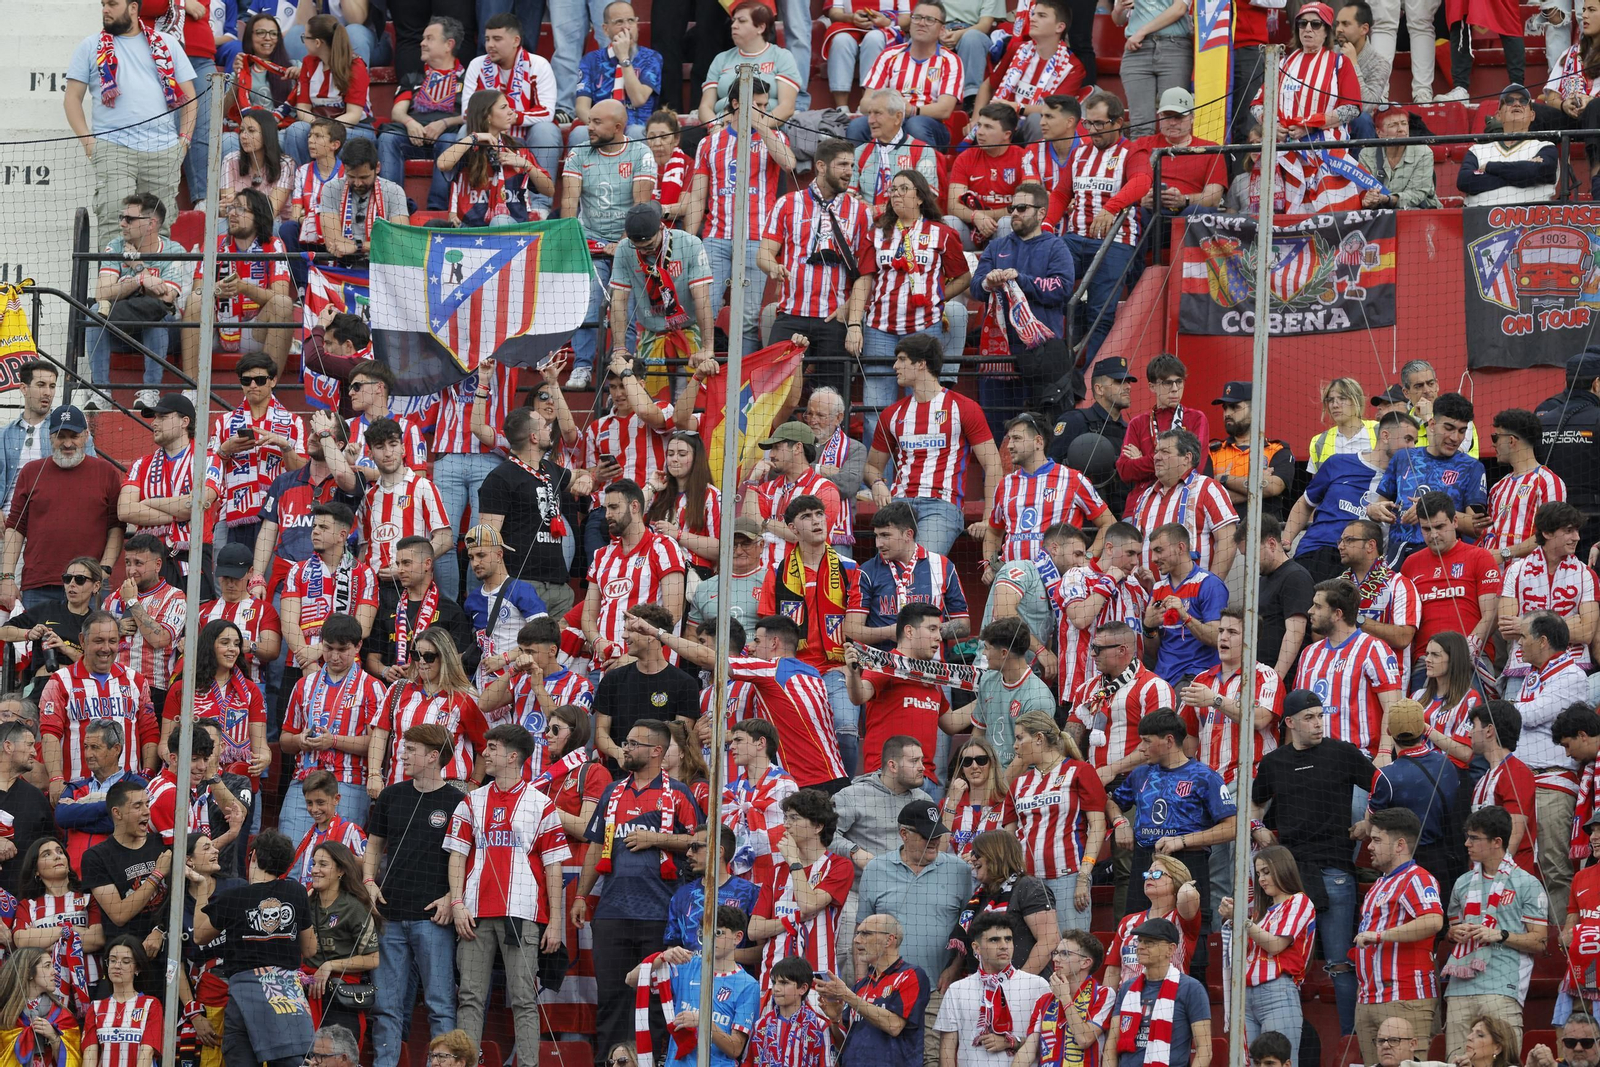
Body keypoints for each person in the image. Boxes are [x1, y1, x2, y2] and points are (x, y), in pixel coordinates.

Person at [1250, 690, 1374, 1037]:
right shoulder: (1273, 763)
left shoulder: (1342, 753)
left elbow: (1382, 787)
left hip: (1335, 870)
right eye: (1309, 717)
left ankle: (1349, 1040)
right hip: (1289, 878)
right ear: (1289, 723)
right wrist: (1257, 829)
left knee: (1338, 961)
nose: (1318, 723)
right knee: (1282, 962)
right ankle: (1287, 1037)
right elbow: (1254, 806)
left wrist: (1368, 821)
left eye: (1321, 716)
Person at [573, 719, 700, 1052]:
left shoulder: (679, 793)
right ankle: (611, 1061)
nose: (624, 748)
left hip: (661, 916)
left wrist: (655, 838)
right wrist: (581, 896)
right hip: (612, 913)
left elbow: (700, 842)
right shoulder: (611, 792)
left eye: (632, 743)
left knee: (659, 999)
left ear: (656, 751)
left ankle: (655, 1061)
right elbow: (593, 846)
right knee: (612, 997)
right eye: (625, 742)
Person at [441, 723, 566, 1053]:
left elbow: (554, 868)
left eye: (492, 747)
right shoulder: (471, 801)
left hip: (523, 914)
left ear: (513, 757)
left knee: (524, 998)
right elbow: (456, 857)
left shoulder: (542, 805)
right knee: (469, 997)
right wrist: (456, 903)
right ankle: (466, 1062)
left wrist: (555, 923)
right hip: (474, 914)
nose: (485, 753)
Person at [361, 723, 465, 1067]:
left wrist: (452, 896)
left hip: (433, 920)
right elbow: (374, 846)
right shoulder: (391, 795)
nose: (402, 755)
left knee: (440, 1003)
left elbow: (468, 858)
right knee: (385, 1005)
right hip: (390, 917)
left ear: (433, 757)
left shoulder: (458, 801)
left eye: (410, 750)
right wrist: (368, 881)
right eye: (404, 749)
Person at [64, 0, 197, 251]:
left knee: (159, 226)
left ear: (133, 8)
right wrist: (89, 143)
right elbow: (71, 99)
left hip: (163, 150)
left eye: (112, 4)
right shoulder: (90, 45)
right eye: (103, 4)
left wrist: (184, 142)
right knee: (115, 225)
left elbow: (190, 99)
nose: (105, 9)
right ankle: (112, 287)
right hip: (113, 149)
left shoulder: (167, 44)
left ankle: (155, 288)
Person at [1108, 710, 1234, 966]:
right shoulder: (1141, 774)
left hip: (1188, 863)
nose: (1141, 748)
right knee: (1136, 927)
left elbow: (1232, 827)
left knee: (1192, 936)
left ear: (1168, 740)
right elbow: (1112, 803)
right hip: (1145, 860)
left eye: (1146, 740)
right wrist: (1121, 822)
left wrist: (1184, 840)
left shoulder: (1204, 776)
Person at [687, 78, 795, 355]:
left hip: (756, 239)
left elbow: (789, 163)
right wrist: (690, 239)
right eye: (755, 105)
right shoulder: (709, 144)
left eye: (764, 105)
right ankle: (701, 377)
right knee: (704, 312)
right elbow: (698, 196)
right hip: (715, 239)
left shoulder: (775, 137)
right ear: (735, 103)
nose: (762, 110)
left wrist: (758, 123)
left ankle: (741, 385)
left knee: (747, 320)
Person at [758, 139, 874, 397]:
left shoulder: (860, 212)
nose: (849, 171)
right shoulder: (787, 203)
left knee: (832, 397)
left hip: (835, 317)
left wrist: (853, 316)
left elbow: (865, 273)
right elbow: (764, 253)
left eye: (852, 165)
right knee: (774, 393)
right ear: (821, 166)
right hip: (790, 315)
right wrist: (773, 268)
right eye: (842, 164)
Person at [865, 336, 998, 557]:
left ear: (921, 363)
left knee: (919, 567)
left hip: (941, 506)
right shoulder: (892, 413)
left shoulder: (964, 407)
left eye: (902, 359)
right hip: (899, 505)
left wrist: (988, 519)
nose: (895, 366)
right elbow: (871, 466)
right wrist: (877, 483)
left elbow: (993, 464)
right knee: (888, 575)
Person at [1441, 804, 1549, 1057]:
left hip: (1502, 986)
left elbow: (1541, 942)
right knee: (1456, 1062)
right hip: (1459, 988)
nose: (1467, 843)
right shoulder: (1462, 882)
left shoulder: (1527, 883)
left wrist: (1500, 935)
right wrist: (1452, 934)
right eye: (1467, 836)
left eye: (1474, 838)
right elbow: (1452, 928)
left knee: (1502, 1062)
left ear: (1496, 842)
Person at [561, 105, 656, 377]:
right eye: (589, 120)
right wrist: (573, 240)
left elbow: (640, 207)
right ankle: (582, 366)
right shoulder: (578, 152)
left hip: (631, 241)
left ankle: (622, 367)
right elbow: (569, 204)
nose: (588, 127)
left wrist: (623, 243)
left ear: (617, 128)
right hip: (590, 240)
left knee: (622, 304)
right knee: (588, 298)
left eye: (597, 122)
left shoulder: (641, 153)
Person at [0, 407, 122, 617]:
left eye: (74, 436)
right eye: (60, 436)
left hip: (89, 586)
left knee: (88, 648)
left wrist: (104, 570)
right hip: (39, 585)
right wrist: (7, 578)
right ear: (50, 437)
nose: (67, 443)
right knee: (37, 648)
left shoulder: (107, 473)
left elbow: (116, 527)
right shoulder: (30, 472)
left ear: (85, 436)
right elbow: (15, 528)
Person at [279, 613, 388, 843]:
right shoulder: (303, 685)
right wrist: (300, 740)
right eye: (328, 648)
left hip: (348, 782)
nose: (334, 656)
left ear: (358, 646)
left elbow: (377, 745)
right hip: (304, 780)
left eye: (342, 649)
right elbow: (284, 741)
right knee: (290, 855)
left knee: (337, 858)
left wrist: (334, 741)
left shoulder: (373, 688)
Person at [1252, 4, 1370, 215]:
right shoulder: (1283, 64)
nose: (1308, 28)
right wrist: (1272, 125)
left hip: (1327, 155)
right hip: (1284, 154)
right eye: (1302, 23)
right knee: (1286, 222)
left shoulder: (1339, 63)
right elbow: (1257, 105)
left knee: (1332, 222)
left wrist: (1311, 125)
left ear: (1326, 31)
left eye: (1315, 24)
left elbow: (1352, 108)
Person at [970, 193, 1077, 423]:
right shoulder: (996, 246)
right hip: (999, 354)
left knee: (1039, 427)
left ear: (1041, 213)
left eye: (1021, 208)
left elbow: (1062, 288)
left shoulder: (1056, 247)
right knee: (996, 426)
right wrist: (987, 282)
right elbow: (975, 288)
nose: (1014, 213)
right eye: (1012, 208)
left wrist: (1022, 280)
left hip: (1042, 355)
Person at [1053, 93, 1143, 366]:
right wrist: (1046, 227)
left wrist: (1111, 208)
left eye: (1099, 124)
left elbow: (1141, 182)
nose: (1092, 131)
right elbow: (1060, 193)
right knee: (1043, 285)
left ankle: (1093, 378)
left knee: (1101, 313)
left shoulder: (1133, 151)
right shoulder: (1079, 152)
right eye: (1088, 124)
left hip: (1116, 242)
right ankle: (1055, 368)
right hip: (1074, 238)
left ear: (1118, 122)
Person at [1511, 611, 1590, 922]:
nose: (1518, 645)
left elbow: (1529, 716)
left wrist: (1511, 710)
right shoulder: (1533, 675)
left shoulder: (1572, 675)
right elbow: (1524, 718)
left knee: (1553, 866)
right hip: (1520, 782)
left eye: (1523, 638)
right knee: (1514, 864)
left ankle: (1561, 947)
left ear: (1542, 641)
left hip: (1552, 783)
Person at [1351, 807, 1445, 1064]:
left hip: (1405, 996)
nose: (1369, 846)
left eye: (1377, 840)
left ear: (1400, 845)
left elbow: (1433, 921)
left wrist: (1380, 936)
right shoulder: (1379, 885)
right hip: (1368, 998)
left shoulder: (1417, 878)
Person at [39, 612, 160, 805]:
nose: (106, 648)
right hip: (77, 792)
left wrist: (147, 775)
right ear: (83, 640)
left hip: (127, 795)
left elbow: (150, 733)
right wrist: (55, 779)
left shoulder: (136, 681)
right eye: (99, 641)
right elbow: (50, 734)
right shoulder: (59, 682)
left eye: (112, 641)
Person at [180, 187, 296, 380]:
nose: (233, 213)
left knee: (283, 304)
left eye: (241, 209)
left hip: (255, 331)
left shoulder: (273, 245)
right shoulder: (214, 243)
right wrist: (217, 290)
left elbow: (280, 295)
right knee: (195, 300)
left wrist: (244, 288)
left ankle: (268, 388)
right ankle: (190, 389)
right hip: (217, 329)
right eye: (232, 208)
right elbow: (198, 289)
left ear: (258, 216)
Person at [746, 789, 854, 994]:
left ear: (818, 826)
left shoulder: (839, 866)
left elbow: (809, 904)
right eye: (785, 817)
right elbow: (754, 930)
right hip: (773, 980)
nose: (786, 824)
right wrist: (793, 919)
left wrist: (794, 861)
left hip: (816, 979)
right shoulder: (776, 872)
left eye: (794, 818)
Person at [1291, 414, 1418, 588]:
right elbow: (1306, 503)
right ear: (1386, 436)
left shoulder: (1407, 482)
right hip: (1320, 550)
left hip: (1366, 564)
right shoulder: (1338, 463)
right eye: (1408, 439)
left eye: (1415, 442)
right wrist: (1286, 541)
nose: (1412, 447)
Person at [1216, 846, 1315, 1067]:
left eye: (1267, 872)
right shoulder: (1261, 912)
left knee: (1278, 1061)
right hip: (1245, 995)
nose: (1261, 878)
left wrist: (1241, 918)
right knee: (1248, 1063)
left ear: (1283, 868)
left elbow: (1276, 945)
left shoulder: (1299, 901)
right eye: (1258, 873)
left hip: (1278, 992)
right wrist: (1231, 919)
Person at [858, 800, 971, 991]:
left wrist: (954, 968)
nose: (934, 841)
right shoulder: (875, 869)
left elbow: (967, 928)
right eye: (927, 835)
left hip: (939, 988)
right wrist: (861, 986)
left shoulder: (960, 870)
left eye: (937, 834)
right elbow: (861, 935)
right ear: (904, 834)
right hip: (885, 989)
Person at [629, 905, 762, 1067]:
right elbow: (632, 980)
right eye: (705, 932)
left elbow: (735, 1048)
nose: (710, 938)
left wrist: (703, 1021)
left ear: (737, 937)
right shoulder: (687, 965)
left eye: (718, 933)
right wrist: (661, 958)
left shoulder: (748, 985)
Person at [1009, 713, 1106, 933]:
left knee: (1071, 952)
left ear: (1039, 738)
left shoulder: (1080, 771)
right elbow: (1008, 837)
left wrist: (1084, 876)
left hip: (1068, 878)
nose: (1015, 746)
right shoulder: (1018, 784)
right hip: (1027, 883)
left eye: (1019, 738)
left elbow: (1098, 827)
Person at [608, 205, 717, 398]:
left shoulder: (690, 244)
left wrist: (707, 347)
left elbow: (702, 298)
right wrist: (619, 348)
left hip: (688, 329)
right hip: (652, 331)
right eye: (638, 247)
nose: (643, 251)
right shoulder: (624, 250)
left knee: (690, 396)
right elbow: (618, 301)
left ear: (661, 228)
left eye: (649, 246)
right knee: (648, 399)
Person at [85, 195, 184, 401]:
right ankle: (100, 391)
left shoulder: (175, 250)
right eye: (122, 217)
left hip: (165, 332)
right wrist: (139, 280)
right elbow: (101, 293)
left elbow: (166, 299)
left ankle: (150, 391)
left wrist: (137, 266)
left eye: (129, 219)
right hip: (123, 328)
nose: (122, 223)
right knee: (95, 312)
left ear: (151, 224)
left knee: (156, 316)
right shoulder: (117, 246)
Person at [1398, 493, 1501, 687]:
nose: (1433, 534)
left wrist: (1466, 649)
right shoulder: (1410, 564)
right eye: (1426, 529)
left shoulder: (1481, 557)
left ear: (1455, 521)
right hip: (1425, 661)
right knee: (1421, 718)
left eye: (1439, 527)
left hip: (1470, 658)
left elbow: (1492, 614)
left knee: (1474, 716)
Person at [845, 608, 960, 782]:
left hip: (925, 778)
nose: (939, 637)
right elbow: (858, 696)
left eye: (939, 630)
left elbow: (951, 722)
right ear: (909, 631)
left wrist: (988, 693)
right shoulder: (886, 664)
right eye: (932, 629)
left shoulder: (931, 674)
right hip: (888, 778)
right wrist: (853, 674)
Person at [209, 355, 307, 554]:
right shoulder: (224, 422)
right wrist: (224, 451)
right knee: (227, 581)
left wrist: (285, 447)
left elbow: (304, 473)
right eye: (246, 380)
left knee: (270, 583)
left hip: (279, 513)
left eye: (260, 380)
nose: (253, 385)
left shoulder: (293, 422)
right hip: (230, 514)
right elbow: (208, 471)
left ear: (273, 381)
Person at [452, 15, 561, 195]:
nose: (490, 45)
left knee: (546, 130)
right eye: (487, 39)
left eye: (497, 39)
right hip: (489, 135)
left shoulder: (538, 65)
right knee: (465, 132)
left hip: (528, 134)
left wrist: (514, 117)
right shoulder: (477, 65)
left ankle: (540, 205)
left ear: (515, 41)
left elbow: (547, 112)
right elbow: (467, 113)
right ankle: (469, 197)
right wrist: (496, 121)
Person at [1294, 579, 1403, 757]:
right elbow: (1297, 712)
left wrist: (1384, 753)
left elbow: (1394, 707)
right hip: (1312, 760)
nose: (1310, 611)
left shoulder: (1373, 649)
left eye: (1318, 606)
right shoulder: (1308, 654)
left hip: (1358, 759)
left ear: (1337, 614)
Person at [935, 912, 1052, 1067]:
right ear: (976, 948)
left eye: (1008, 939)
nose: (1004, 945)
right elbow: (947, 1049)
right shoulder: (957, 990)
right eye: (994, 940)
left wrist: (1011, 1042)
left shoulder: (1038, 985)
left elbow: (1051, 1043)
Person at [1365, 701, 1460, 887]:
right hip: (1446, 860)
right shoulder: (1446, 764)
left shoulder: (1385, 775)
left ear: (1389, 732)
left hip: (1404, 867)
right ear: (1423, 729)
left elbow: (1371, 829)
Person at [817, 913, 931, 1067]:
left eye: (865, 933)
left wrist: (847, 995)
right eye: (857, 934)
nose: (856, 940)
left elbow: (894, 1026)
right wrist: (835, 1020)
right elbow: (843, 1045)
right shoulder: (860, 986)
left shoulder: (911, 975)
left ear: (889, 940)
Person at [281, 502, 380, 679]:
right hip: (300, 663)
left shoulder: (365, 573)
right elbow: (288, 623)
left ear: (342, 535)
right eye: (314, 526)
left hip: (346, 665)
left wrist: (319, 650)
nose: (315, 531)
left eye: (323, 527)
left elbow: (363, 628)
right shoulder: (297, 569)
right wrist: (308, 661)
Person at [1500, 502, 1595, 683]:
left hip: (1572, 667)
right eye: (1568, 531)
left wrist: (1526, 623)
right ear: (1547, 533)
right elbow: (1507, 629)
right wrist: (1568, 624)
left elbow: (1587, 632)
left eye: (1576, 531)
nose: (1577, 537)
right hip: (1523, 668)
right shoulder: (1515, 571)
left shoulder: (1586, 574)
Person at [377, 16, 465, 209]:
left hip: (447, 139)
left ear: (448, 44)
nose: (422, 43)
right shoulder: (413, 77)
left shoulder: (467, 78)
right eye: (423, 38)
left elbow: (472, 114)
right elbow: (397, 112)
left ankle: (437, 210)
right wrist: (410, 123)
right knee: (388, 137)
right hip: (413, 137)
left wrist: (444, 123)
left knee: (449, 141)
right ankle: (392, 206)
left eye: (429, 38)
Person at [946, 829, 1057, 981]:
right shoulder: (981, 895)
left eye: (977, 852)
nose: (972, 858)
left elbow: (1049, 941)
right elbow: (969, 940)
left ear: (996, 854)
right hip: (986, 987)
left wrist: (1018, 982)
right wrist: (953, 969)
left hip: (1024, 990)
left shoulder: (1029, 886)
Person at [1128, 431, 1239, 580]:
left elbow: (1228, 540)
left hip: (1195, 596)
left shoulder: (1208, 487)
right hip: (1149, 598)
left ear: (1187, 458)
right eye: (1156, 452)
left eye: (1165, 452)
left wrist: (1212, 588)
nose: (1156, 457)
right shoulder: (1144, 497)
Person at [363, 537, 478, 681]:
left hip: (434, 693)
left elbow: (461, 659)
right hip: (395, 692)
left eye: (406, 563)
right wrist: (385, 671)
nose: (400, 570)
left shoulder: (450, 610)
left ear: (427, 564)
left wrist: (426, 669)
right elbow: (371, 659)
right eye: (398, 564)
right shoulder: (388, 607)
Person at [1104, 917, 1212, 1067]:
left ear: (1171, 949)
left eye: (1150, 942)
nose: (1141, 947)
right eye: (1139, 941)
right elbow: (1111, 1045)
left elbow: (1204, 1049)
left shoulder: (1192, 988)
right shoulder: (1127, 988)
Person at [739, 423, 848, 569]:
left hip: (806, 576)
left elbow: (807, 536)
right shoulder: (767, 488)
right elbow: (749, 525)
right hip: (764, 577)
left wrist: (765, 523)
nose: (771, 454)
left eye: (777, 447)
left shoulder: (825, 489)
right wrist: (752, 481)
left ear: (797, 447)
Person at [853, 5, 963, 149]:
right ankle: (858, 170)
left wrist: (911, 110)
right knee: (857, 126)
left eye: (930, 20)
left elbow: (945, 109)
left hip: (931, 125)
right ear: (910, 24)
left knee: (915, 124)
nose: (922, 23)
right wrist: (891, 110)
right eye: (917, 18)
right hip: (889, 117)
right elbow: (865, 104)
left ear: (942, 29)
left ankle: (924, 170)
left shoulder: (950, 60)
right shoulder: (889, 56)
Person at [833, 737, 936, 888]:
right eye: (914, 761)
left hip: (911, 888)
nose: (922, 767)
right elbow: (823, 836)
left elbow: (936, 844)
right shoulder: (853, 795)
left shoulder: (923, 800)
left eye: (921, 760)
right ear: (892, 766)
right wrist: (854, 851)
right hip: (859, 890)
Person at [975, 0, 1083, 141]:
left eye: (1041, 15)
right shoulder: (1017, 49)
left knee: (1035, 120)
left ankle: (1034, 162)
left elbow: (1056, 109)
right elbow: (987, 85)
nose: (1032, 19)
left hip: (1034, 127)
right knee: (988, 125)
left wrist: (1017, 107)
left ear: (1059, 27)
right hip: (1002, 123)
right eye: (1033, 14)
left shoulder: (1073, 66)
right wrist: (975, 119)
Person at [303, 841, 380, 1039]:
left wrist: (330, 966)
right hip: (305, 990)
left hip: (340, 993)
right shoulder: (305, 902)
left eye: (323, 864)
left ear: (340, 871)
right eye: (313, 864)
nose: (315, 870)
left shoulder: (354, 908)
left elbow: (373, 959)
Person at [0, 559, 105, 703]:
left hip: (80, 688)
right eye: (67, 579)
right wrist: (28, 634)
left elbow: (97, 667)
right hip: (43, 685)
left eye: (80, 579)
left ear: (96, 586)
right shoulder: (47, 608)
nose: (72, 584)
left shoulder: (97, 622)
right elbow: (4, 631)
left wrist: (65, 648)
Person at [358, 422, 451, 581]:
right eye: (380, 447)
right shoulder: (368, 497)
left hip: (414, 585)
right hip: (374, 588)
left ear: (403, 448)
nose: (387, 453)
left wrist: (409, 567)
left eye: (393, 444)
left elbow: (445, 538)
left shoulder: (423, 487)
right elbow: (364, 548)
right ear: (370, 454)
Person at [101, 536, 185, 710]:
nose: (131, 570)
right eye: (127, 562)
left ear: (157, 565)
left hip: (155, 689)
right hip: (113, 686)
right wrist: (115, 630)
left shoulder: (175, 597)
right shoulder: (112, 599)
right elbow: (94, 640)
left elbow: (160, 640)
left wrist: (132, 602)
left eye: (138, 563)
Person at [1143, 523, 1228, 686]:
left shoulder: (1209, 584)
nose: (1153, 559)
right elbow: (1153, 652)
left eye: (1159, 550)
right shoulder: (1158, 588)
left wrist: (1185, 617)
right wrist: (1149, 628)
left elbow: (1217, 638)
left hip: (1196, 676)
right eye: (1152, 552)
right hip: (1162, 677)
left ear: (1181, 548)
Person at [49, 718, 138, 869]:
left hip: (118, 876)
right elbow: (63, 817)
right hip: (75, 880)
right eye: (86, 747)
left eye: (95, 747)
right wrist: (112, 807)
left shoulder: (136, 785)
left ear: (116, 749)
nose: (88, 754)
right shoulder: (74, 787)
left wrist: (79, 816)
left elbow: (127, 823)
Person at [1048, 356, 1134, 513]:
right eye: (1118, 382)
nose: (1127, 386)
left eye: (1128, 381)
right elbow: (1053, 468)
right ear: (1099, 389)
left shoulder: (1130, 431)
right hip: (1081, 518)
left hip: (1121, 517)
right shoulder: (1075, 421)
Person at [966, 619, 1057, 767]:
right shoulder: (988, 680)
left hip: (1021, 780)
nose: (983, 653)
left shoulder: (1038, 696)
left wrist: (997, 787)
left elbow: (1025, 760)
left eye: (987, 648)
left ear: (1003, 653)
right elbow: (979, 732)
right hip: (988, 775)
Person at [696, 3, 802, 126]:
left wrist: (758, 129)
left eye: (741, 21)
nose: (734, 26)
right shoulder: (721, 59)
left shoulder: (782, 57)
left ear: (761, 27)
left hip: (768, 131)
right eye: (734, 21)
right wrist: (715, 128)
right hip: (724, 128)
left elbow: (787, 107)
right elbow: (705, 107)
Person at [1488, 411, 1572, 564]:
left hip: (1532, 577)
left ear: (1511, 440)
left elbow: (1553, 534)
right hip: (1495, 578)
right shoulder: (1497, 487)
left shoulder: (1549, 482)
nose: (1493, 444)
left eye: (1496, 437)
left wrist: (1504, 553)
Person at [663, 824, 760, 953]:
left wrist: (720, 958)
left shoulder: (750, 893)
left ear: (719, 851)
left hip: (733, 972)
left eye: (695, 847)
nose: (688, 853)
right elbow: (672, 946)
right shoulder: (682, 894)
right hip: (690, 972)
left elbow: (762, 951)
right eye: (689, 847)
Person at [1470, 700, 1540, 876]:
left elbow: (1513, 836)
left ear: (1489, 730)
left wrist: (1492, 878)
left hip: (1509, 882)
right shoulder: (1484, 779)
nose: (1469, 733)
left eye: (1474, 726)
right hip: (1483, 877)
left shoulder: (1517, 773)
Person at [574, 3, 661, 139]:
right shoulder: (591, 60)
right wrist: (600, 127)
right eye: (619, 22)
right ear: (605, 29)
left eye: (631, 21)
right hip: (600, 127)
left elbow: (638, 99)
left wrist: (623, 58)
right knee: (579, 133)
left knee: (636, 133)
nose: (626, 27)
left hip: (637, 126)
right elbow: (581, 107)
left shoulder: (651, 58)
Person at [943, 106, 1024, 252]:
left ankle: (1005, 273)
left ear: (1007, 134)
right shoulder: (965, 157)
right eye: (979, 125)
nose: (979, 132)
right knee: (949, 222)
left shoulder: (1022, 158)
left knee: (1008, 223)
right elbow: (953, 206)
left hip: (1003, 229)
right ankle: (958, 274)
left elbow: (1024, 206)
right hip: (972, 230)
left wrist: (986, 217)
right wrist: (975, 217)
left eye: (988, 127)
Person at [316, 138, 410, 265]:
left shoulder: (394, 191)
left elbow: (399, 241)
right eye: (351, 176)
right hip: (344, 265)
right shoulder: (330, 189)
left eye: (363, 177)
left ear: (377, 168)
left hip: (383, 265)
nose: (357, 183)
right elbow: (333, 243)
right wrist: (373, 246)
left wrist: (358, 247)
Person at [1210, 383, 1293, 524]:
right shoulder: (1212, 451)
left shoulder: (1277, 450)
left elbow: (1273, 487)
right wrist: (1260, 488)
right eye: (1225, 408)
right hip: (1223, 535)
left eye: (1235, 407)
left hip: (1265, 535)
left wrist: (1224, 479)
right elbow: (1208, 497)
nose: (1227, 413)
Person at [0, 947, 83, 1067]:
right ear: (29, 973)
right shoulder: (4, 1014)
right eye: (47, 966)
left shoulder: (63, 1015)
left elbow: (75, 1059)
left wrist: (54, 1038)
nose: (54, 971)